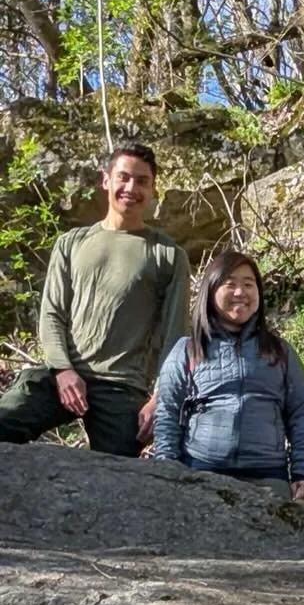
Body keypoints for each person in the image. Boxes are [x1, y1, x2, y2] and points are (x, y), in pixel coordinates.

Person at [0, 140, 189, 458]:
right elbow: (52, 314)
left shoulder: (167, 254)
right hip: (64, 375)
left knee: (118, 476)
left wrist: (161, 397)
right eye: (124, 177)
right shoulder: (72, 243)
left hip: (123, 388)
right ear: (106, 180)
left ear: (153, 189)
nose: (131, 188)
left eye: (142, 181)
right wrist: (63, 369)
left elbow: (175, 335)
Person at [151, 249, 304, 497]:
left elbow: (301, 414)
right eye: (230, 284)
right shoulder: (188, 350)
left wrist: (302, 473)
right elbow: (167, 413)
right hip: (201, 473)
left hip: (269, 476)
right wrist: (167, 468)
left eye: (248, 284)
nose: (240, 292)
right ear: (211, 291)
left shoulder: (280, 351)